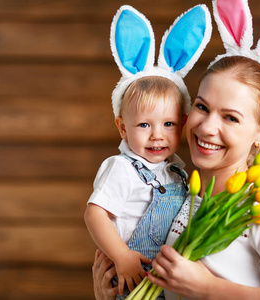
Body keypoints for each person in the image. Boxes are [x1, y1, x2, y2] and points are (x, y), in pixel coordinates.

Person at [92, 1, 260, 299]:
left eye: (230, 117)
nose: (207, 127)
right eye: (202, 107)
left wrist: (209, 288)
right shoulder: (181, 199)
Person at [85, 4, 212, 298]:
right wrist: (121, 256)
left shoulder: (176, 171)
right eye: (144, 124)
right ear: (122, 128)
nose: (157, 135)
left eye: (168, 124)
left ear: (182, 124)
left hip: (163, 282)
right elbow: (95, 215)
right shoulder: (122, 167)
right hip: (132, 275)